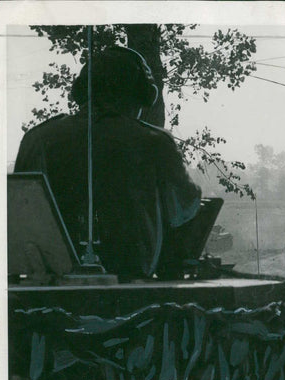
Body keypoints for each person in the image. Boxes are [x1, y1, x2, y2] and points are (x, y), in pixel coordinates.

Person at [14, 46, 202, 280]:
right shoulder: (154, 141)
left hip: (51, 285)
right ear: (141, 95)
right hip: (130, 287)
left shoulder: (38, 138)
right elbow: (186, 208)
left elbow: (19, 217)